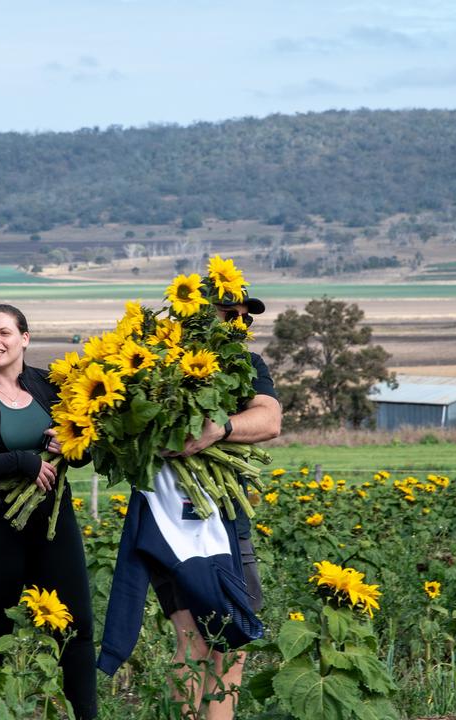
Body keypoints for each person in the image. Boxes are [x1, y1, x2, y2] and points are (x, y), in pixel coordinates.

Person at [0, 304, 97, 720]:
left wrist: (72, 448)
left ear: (25, 338)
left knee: (75, 630)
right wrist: (20, 462)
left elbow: (84, 448)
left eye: (4, 333)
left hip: (51, 523)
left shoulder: (52, 386)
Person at [155, 295, 282, 719]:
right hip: (173, 519)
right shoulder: (158, 361)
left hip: (229, 517)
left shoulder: (248, 366)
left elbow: (269, 419)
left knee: (234, 640)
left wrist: (220, 429)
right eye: (229, 315)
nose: (239, 324)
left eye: (245, 318)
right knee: (193, 639)